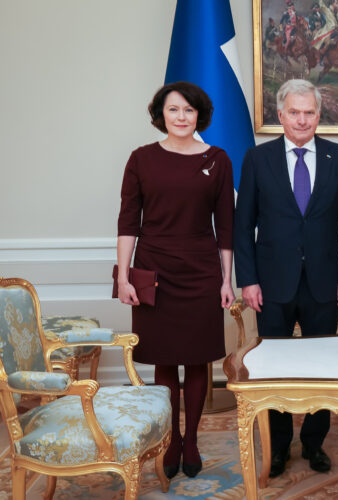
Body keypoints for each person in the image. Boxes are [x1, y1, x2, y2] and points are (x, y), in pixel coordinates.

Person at [234, 79, 338, 478]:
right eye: (295, 112)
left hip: (325, 281)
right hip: (271, 284)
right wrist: (249, 280)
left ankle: (313, 442)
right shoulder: (258, 159)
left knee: (322, 366)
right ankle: (278, 446)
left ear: (319, 115)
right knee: (272, 367)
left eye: (309, 112)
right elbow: (244, 227)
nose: (302, 119)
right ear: (281, 115)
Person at [117, 81, 235, 479]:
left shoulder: (218, 159)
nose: (181, 117)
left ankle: (192, 440)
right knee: (164, 359)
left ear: (199, 115)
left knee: (198, 358)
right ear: (160, 115)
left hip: (202, 270)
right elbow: (128, 223)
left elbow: (227, 227)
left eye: (188, 110)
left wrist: (226, 280)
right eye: (173, 110)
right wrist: (124, 277)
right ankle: (170, 440)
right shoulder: (140, 159)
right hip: (155, 269)